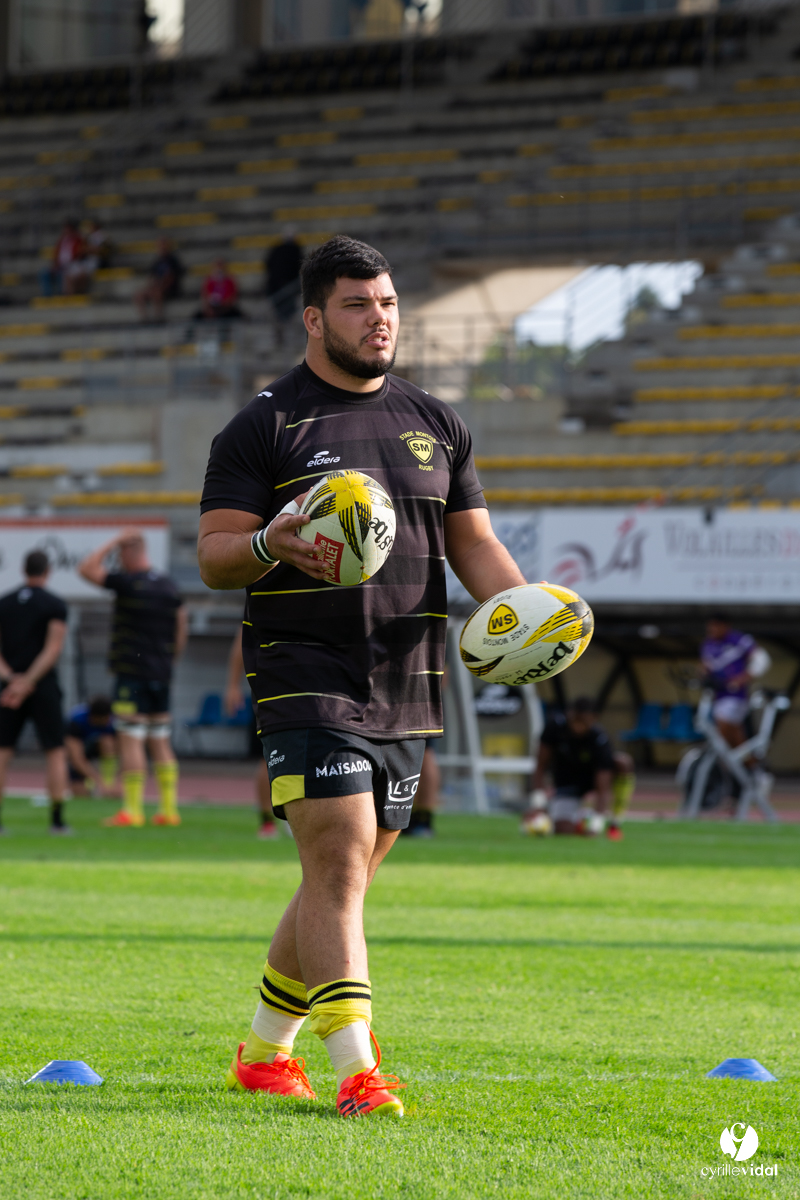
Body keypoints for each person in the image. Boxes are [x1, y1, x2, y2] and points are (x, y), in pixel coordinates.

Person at [198, 234, 529, 1117]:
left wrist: (523, 612)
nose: (379, 319)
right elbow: (215, 555)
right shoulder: (265, 425)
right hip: (305, 671)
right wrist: (269, 542)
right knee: (340, 863)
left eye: (387, 303)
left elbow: (474, 544)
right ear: (313, 318)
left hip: (407, 677)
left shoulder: (438, 422)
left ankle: (263, 1055)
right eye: (357, 305)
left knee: (338, 879)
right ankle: (356, 1070)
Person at [78, 529, 187, 827]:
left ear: (128, 552)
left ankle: (133, 810)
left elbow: (86, 569)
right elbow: (182, 624)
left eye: (119, 555)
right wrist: (170, 662)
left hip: (131, 675)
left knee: (131, 741)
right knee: (160, 740)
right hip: (161, 674)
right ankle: (169, 811)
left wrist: (114, 540)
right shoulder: (168, 585)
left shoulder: (128, 583)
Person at [0, 550, 69, 835]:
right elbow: (52, 649)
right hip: (42, 685)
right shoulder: (54, 604)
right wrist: (28, 681)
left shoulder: (4, 602)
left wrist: (13, 681)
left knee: (3, 752)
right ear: (47, 571)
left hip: (8, 687)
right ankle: (57, 821)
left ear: (23, 569)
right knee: (55, 751)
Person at [525, 697, 634, 840]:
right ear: (569, 715)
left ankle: (615, 822)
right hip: (567, 782)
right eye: (575, 720)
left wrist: (596, 824)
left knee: (623, 762)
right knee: (563, 830)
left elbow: (603, 787)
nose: (578, 726)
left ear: (594, 719)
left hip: (593, 780)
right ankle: (580, 819)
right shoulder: (554, 728)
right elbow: (540, 766)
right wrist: (538, 804)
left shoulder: (599, 739)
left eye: (583, 722)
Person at [224, 628, 278, 839]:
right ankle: (267, 820)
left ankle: (292, 816)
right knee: (268, 757)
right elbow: (242, 640)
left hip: (306, 692)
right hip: (269, 692)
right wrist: (232, 686)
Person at [700, 613, 770, 749]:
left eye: (716, 626)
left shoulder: (739, 640)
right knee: (735, 738)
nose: (712, 630)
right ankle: (749, 762)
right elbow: (706, 666)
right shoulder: (707, 644)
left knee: (723, 733)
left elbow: (762, 660)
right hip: (718, 696)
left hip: (735, 696)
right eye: (710, 626)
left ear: (725, 626)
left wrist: (742, 679)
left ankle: (722, 762)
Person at [65, 695, 118, 797]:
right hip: (81, 753)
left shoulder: (113, 722)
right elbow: (76, 758)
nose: (108, 721)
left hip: (98, 751)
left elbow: (124, 751)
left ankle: (109, 781)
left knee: (107, 742)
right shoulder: (76, 721)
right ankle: (93, 784)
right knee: (79, 792)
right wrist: (98, 780)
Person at [265, 230, 303, 340]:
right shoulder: (295, 249)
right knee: (287, 313)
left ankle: (282, 334)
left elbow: (267, 264)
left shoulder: (275, 249)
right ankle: (285, 335)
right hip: (287, 288)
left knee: (281, 313)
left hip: (275, 287)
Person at [136, 239, 183, 322]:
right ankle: (144, 319)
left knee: (157, 293)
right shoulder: (157, 261)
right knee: (139, 295)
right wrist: (151, 287)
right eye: (160, 246)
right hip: (157, 287)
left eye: (163, 245)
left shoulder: (173, 261)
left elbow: (172, 278)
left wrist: (160, 287)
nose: (161, 248)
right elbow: (151, 277)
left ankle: (158, 318)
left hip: (170, 288)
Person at [41, 219, 84, 297]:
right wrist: (55, 264)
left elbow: (78, 254)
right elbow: (56, 254)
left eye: (68, 229)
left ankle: (61, 294)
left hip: (72, 264)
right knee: (44, 272)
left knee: (64, 274)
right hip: (61, 265)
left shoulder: (78, 239)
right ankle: (48, 295)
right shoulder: (62, 240)